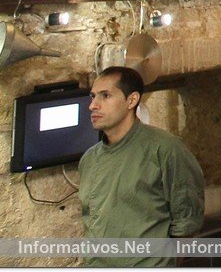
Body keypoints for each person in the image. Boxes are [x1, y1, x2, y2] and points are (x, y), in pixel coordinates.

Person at [79, 66, 204, 267]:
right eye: (93, 97)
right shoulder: (89, 159)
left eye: (105, 96)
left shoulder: (165, 149)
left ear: (132, 100)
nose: (93, 105)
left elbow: (186, 222)